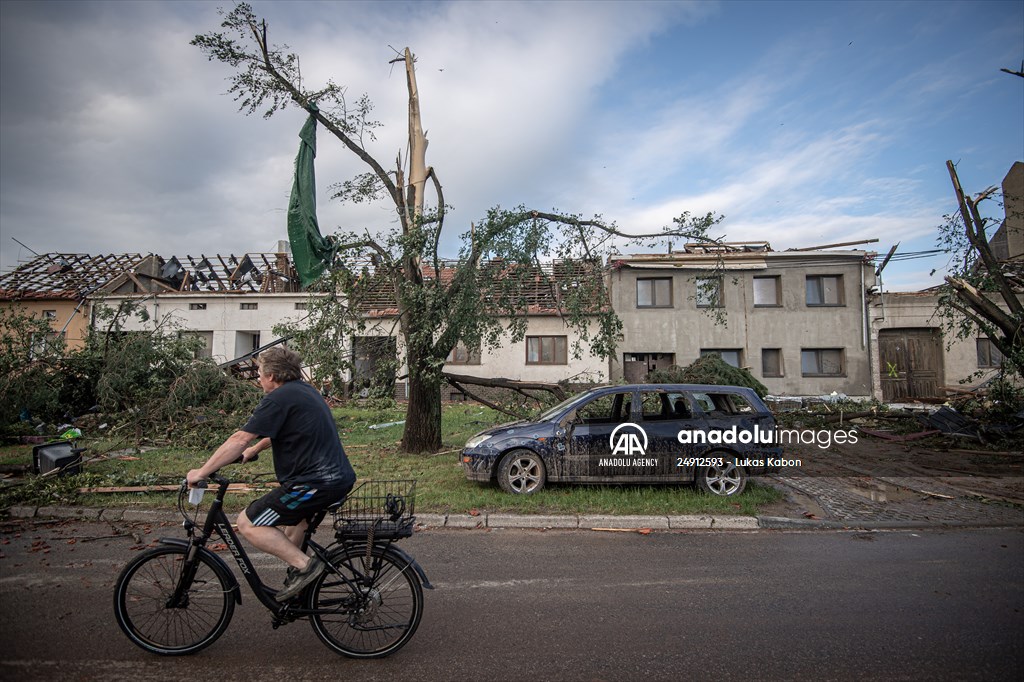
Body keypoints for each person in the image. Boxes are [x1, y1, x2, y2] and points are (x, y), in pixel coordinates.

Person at [187, 347, 356, 602]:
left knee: (249, 523)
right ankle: (298, 595)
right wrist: (255, 449)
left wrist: (201, 472)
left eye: (260, 372)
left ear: (272, 375)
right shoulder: (304, 391)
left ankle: (307, 566)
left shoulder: (278, 398)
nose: (258, 378)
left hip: (314, 483)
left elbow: (239, 439)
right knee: (294, 528)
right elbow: (281, 429)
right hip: (335, 478)